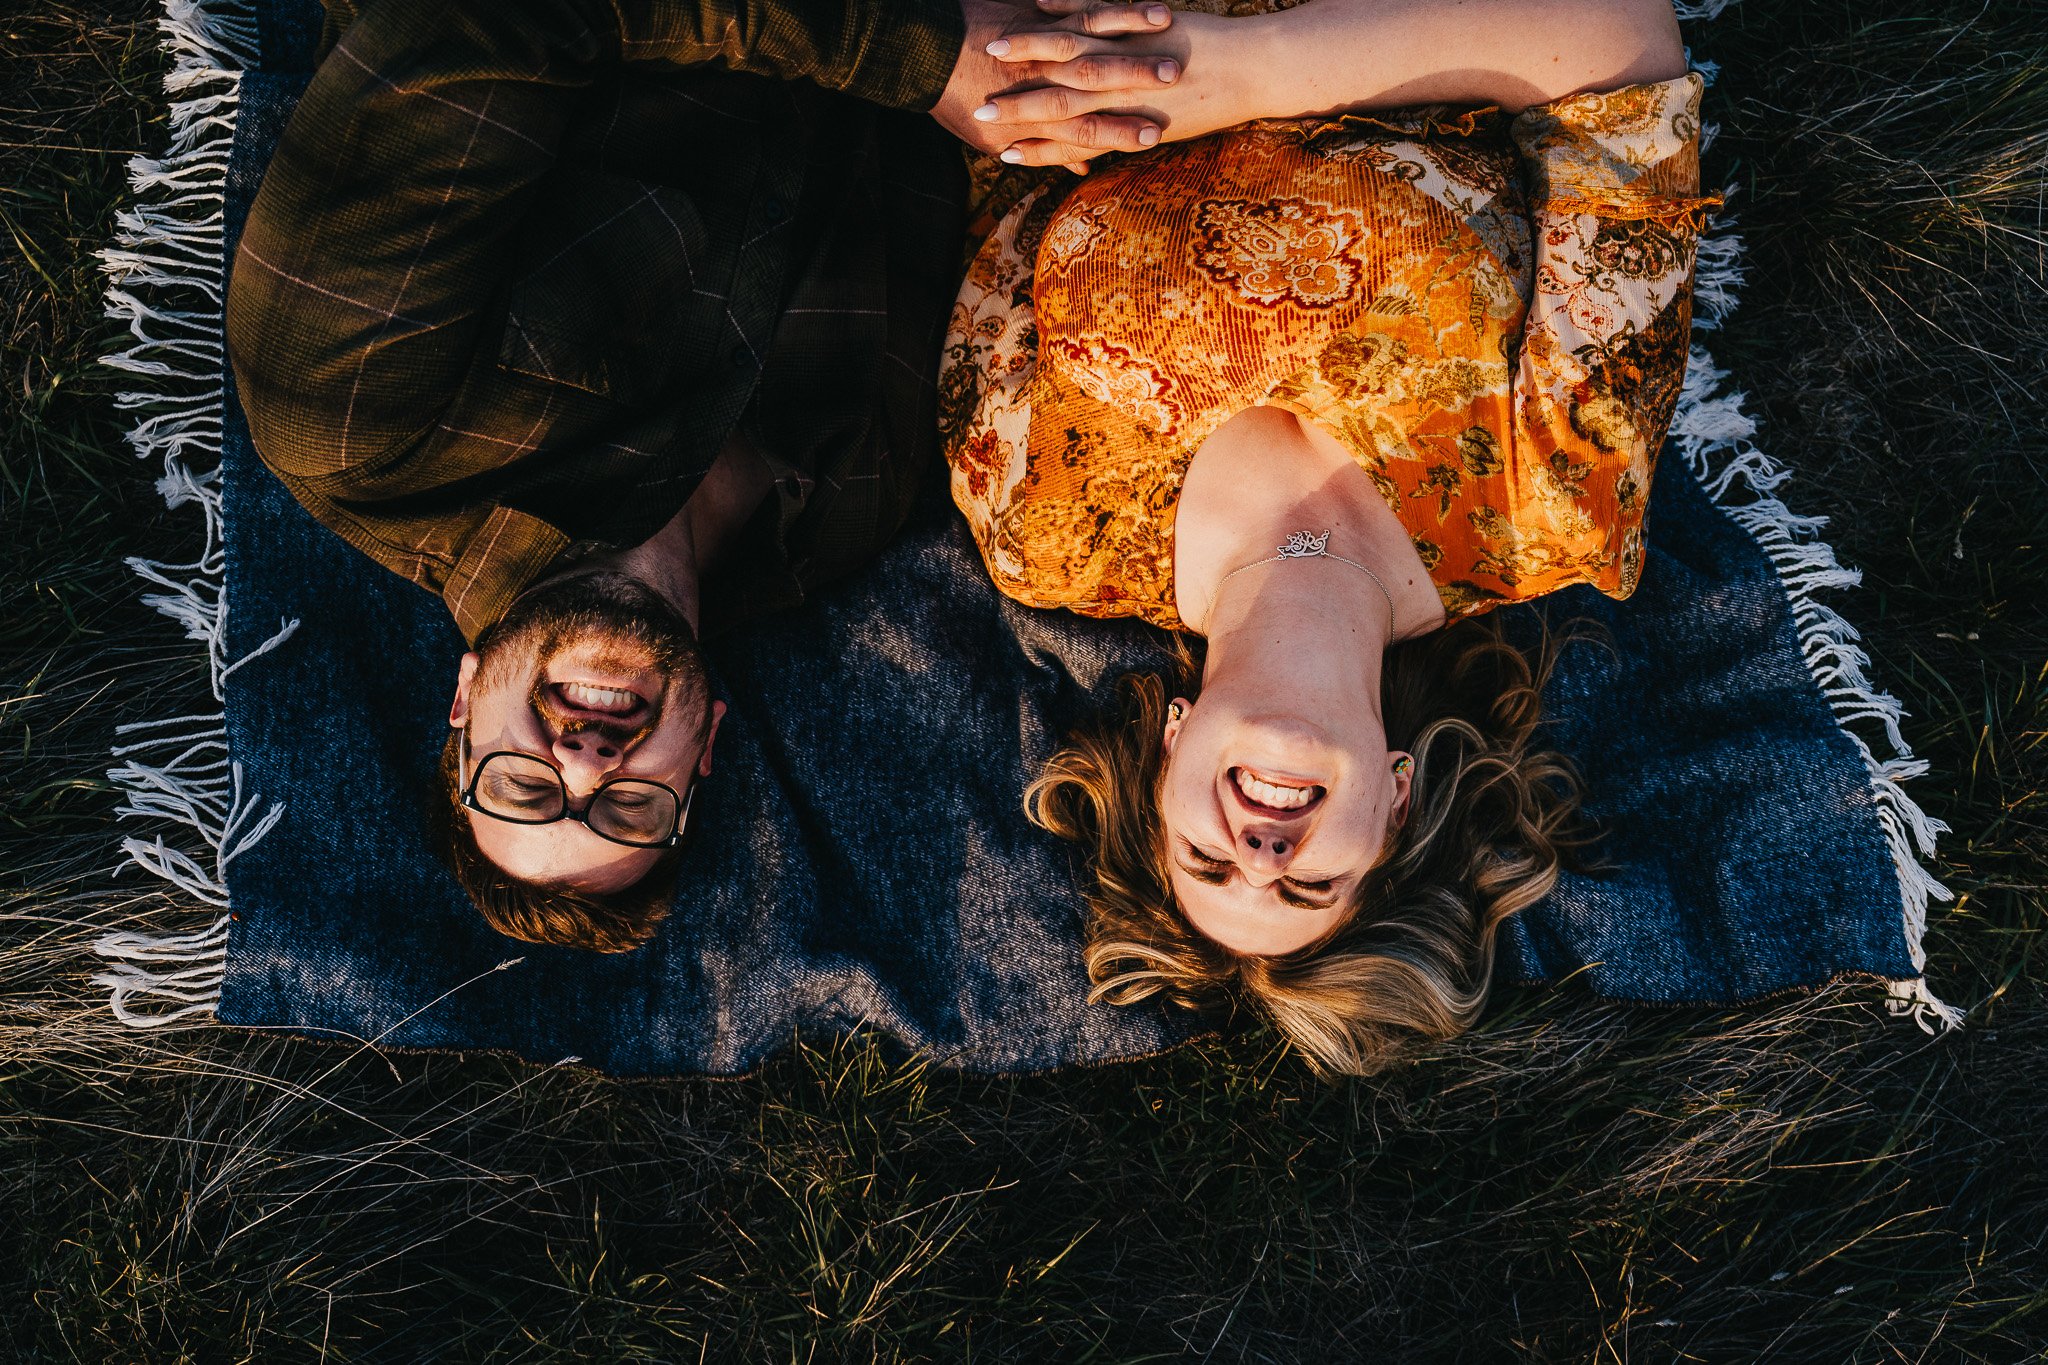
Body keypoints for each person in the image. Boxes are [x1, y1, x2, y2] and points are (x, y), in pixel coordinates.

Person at [225, 0, 1190, 951]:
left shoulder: (356, 421)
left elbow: (486, 19)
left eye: (525, 786)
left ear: (464, 705)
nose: (588, 764)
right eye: (631, 812)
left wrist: (919, 52)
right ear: (705, 755)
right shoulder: (853, 510)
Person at [941, 0, 1714, 1072]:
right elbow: (1617, 48)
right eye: (1309, 885)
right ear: (1396, 804)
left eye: (1207, 864)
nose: (1259, 856)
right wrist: (1252, 67)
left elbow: (1004, 157)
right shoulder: (1553, 503)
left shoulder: (1042, 527)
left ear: (1166, 757)